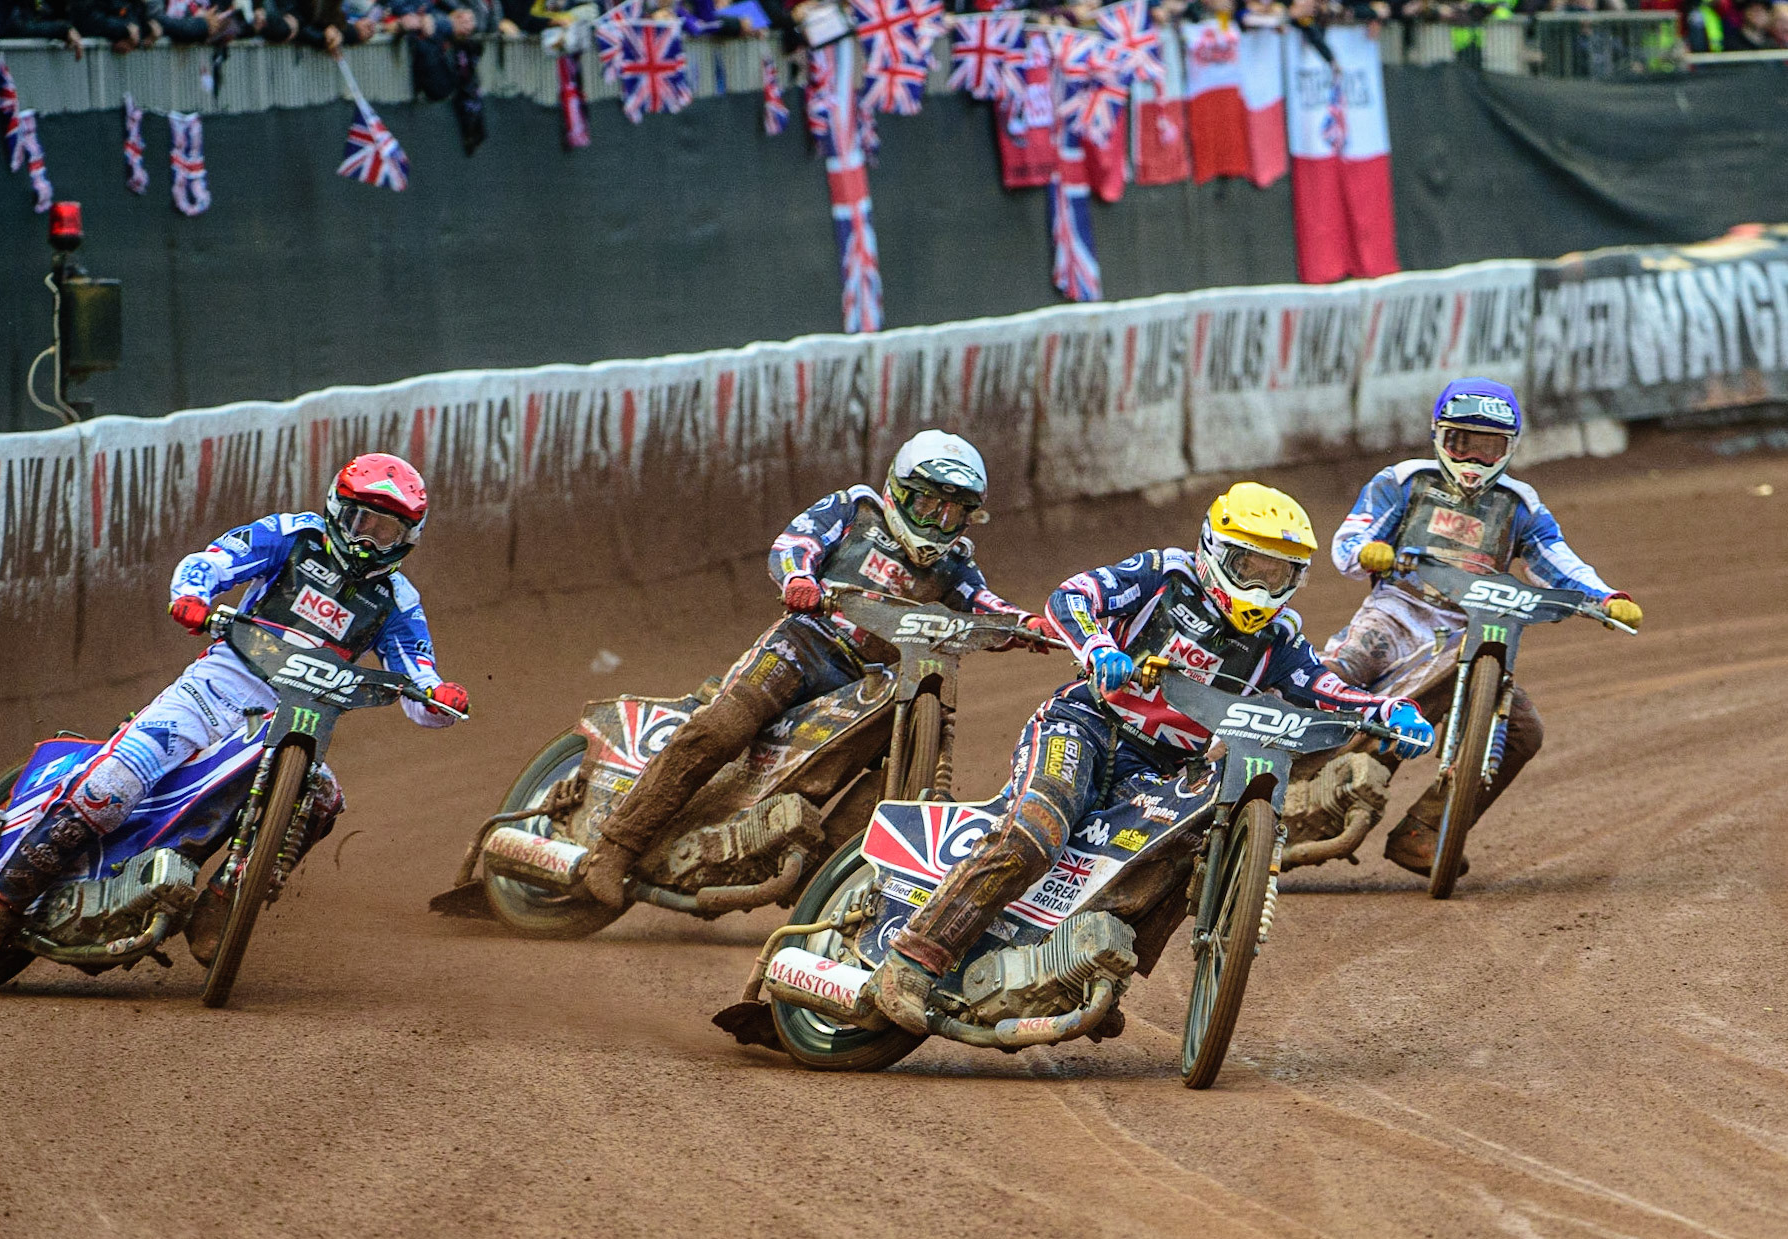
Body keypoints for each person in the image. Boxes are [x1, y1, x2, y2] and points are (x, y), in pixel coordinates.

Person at [865, 482, 1436, 1032]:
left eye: (1278, 574)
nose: (1261, 589)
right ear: (1214, 551)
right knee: (1037, 831)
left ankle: (1094, 975)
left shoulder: (1279, 639)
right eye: (1249, 569)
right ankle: (913, 960)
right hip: (1085, 725)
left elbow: (1325, 688)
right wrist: (1098, 645)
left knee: (1185, 854)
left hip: (1159, 768)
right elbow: (1072, 596)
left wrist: (1389, 711)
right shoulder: (1165, 575)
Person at [0, 453, 471, 966]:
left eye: (385, 531)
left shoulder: (397, 601)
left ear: (407, 539)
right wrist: (192, 595)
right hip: (211, 692)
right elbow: (211, 562)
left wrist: (441, 698)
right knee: (112, 788)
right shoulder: (294, 535)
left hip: (286, 719)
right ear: (338, 509)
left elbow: (418, 685)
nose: (366, 539)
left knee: (323, 798)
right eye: (361, 521)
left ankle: (225, 902)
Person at [579, 430, 1049, 909]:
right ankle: (617, 844)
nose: (937, 522)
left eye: (952, 513)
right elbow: (796, 542)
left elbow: (984, 606)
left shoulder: (956, 566)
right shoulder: (855, 511)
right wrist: (799, 578)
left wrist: (1028, 625)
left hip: (873, 682)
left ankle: (817, 883)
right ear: (898, 493)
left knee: (893, 770)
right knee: (724, 728)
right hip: (804, 646)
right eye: (927, 505)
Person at [1321, 378, 1641, 876]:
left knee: (1522, 732)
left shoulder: (1520, 505)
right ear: (1440, 437)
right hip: (1397, 613)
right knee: (1326, 677)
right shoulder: (1406, 481)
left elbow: (1556, 560)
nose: (1471, 461)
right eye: (1461, 444)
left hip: (1471, 629)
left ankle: (1425, 832)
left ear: (1508, 449)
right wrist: (1365, 551)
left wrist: (1604, 596)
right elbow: (1352, 533)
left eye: (1487, 448)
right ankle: (1245, 793)